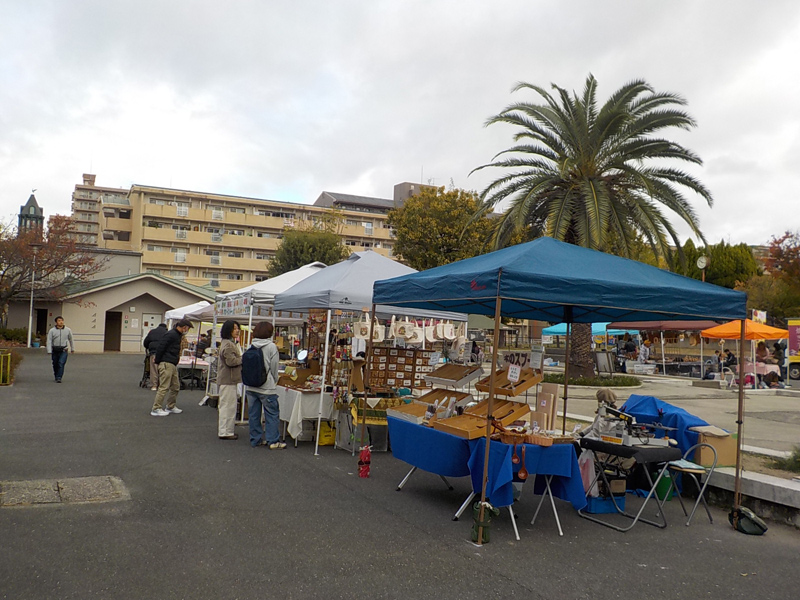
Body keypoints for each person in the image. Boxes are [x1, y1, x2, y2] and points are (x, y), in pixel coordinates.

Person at [245, 321, 285, 449]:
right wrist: (274, 380)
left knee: (253, 415)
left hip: (251, 386)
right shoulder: (271, 346)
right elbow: (274, 367)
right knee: (271, 414)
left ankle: (255, 439)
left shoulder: (251, 345)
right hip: (266, 386)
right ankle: (272, 440)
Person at [151, 319, 192, 417]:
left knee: (175, 386)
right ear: (184, 327)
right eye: (188, 328)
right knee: (164, 387)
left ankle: (170, 406)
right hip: (166, 363)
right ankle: (156, 408)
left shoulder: (177, 335)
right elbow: (161, 347)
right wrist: (158, 360)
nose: (187, 330)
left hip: (172, 363)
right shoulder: (171, 334)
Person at [217, 320, 242, 440]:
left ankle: (226, 430)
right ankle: (225, 431)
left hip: (229, 379)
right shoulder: (228, 345)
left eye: (238, 328)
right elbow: (231, 361)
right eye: (235, 328)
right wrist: (243, 359)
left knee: (227, 405)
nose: (237, 331)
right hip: (228, 379)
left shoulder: (228, 343)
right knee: (228, 406)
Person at [46, 316, 74, 383]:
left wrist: (72, 348)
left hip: (64, 349)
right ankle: (56, 375)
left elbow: (71, 339)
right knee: (55, 364)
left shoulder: (68, 330)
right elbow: (49, 340)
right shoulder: (52, 330)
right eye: (59, 321)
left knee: (61, 363)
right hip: (55, 349)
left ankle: (59, 377)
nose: (61, 322)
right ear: (56, 322)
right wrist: (49, 350)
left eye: (62, 320)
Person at [143, 323, 168, 390]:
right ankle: (162, 385)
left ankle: (154, 385)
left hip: (153, 352)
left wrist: (148, 348)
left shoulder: (152, 332)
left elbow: (145, 342)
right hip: (163, 354)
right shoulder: (167, 333)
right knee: (162, 369)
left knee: (153, 369)